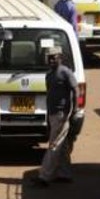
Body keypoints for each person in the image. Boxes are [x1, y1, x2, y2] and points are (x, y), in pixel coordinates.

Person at [33, 47, 78, 187]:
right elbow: (49, 96)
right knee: (62, 145)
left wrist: (73, 111)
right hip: (52, 115)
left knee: (54, 145)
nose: (51, 60)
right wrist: (47, 118)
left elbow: (75, 91)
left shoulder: (65, 72)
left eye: (54, 57)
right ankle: (64, 174)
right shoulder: (49, 75)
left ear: (60, 57)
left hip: (61, 114)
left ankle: (44, 176)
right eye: (49, 57)